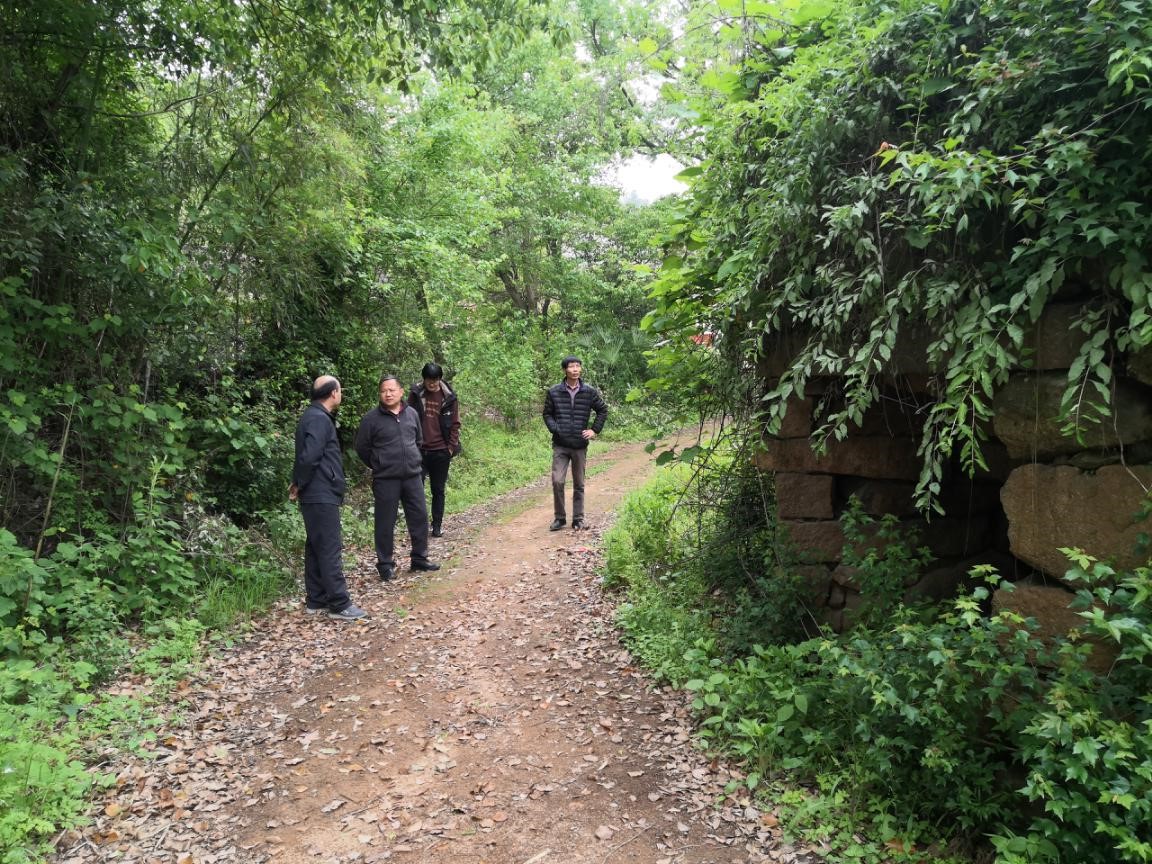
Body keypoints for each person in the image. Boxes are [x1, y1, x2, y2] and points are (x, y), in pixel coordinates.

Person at [290, 375, 368, 621]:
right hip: (320, 491)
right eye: (340, 390)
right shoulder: (318, 418)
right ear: (334, 393)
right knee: (329, 546)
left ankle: (316, 599)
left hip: (316, 491)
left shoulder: (313, 416)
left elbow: (305, 455)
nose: (340, 393)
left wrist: (298, 482)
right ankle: (339, 603)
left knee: (316, 545)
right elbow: (310, 456)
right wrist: (300, 482)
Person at [355, 375, 442, 581]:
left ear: (401, 392)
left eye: (392, 390)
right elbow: (362, 448)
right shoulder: (371, 419)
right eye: (384, 391)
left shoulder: (411, 414)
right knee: (385, 523)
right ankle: (385, 565)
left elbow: (418, 440)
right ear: (380, 394)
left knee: (419, 517)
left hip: (412, 475)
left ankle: (419, 558)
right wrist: (379, 463)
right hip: (386, 479)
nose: (388, 394)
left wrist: (414, 460)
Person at [542, 355, 608, 531]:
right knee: (557, 481)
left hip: (579, 445)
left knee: (579, 483)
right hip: (560, 445)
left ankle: (578, 519)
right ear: (565, 370)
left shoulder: (589, 391)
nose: (575, 369)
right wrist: (555, 429)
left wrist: (594, 430)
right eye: (571, 366)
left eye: (578, 366)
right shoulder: (554, 392)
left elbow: (602, 410)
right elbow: (547, 414)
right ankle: (560, 518)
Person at [408, 362, 462, 538]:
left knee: (438, 490)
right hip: (419, 451)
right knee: (416, 490)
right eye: (429, 380)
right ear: (424, 379)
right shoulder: (416, 394)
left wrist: (450, 448)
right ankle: (419, 526)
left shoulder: (449, 397)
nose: (432, 384)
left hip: (441, 451)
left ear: (440, 379)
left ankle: (437, 525)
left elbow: (455, 423)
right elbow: (408, 418)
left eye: (435, 380)